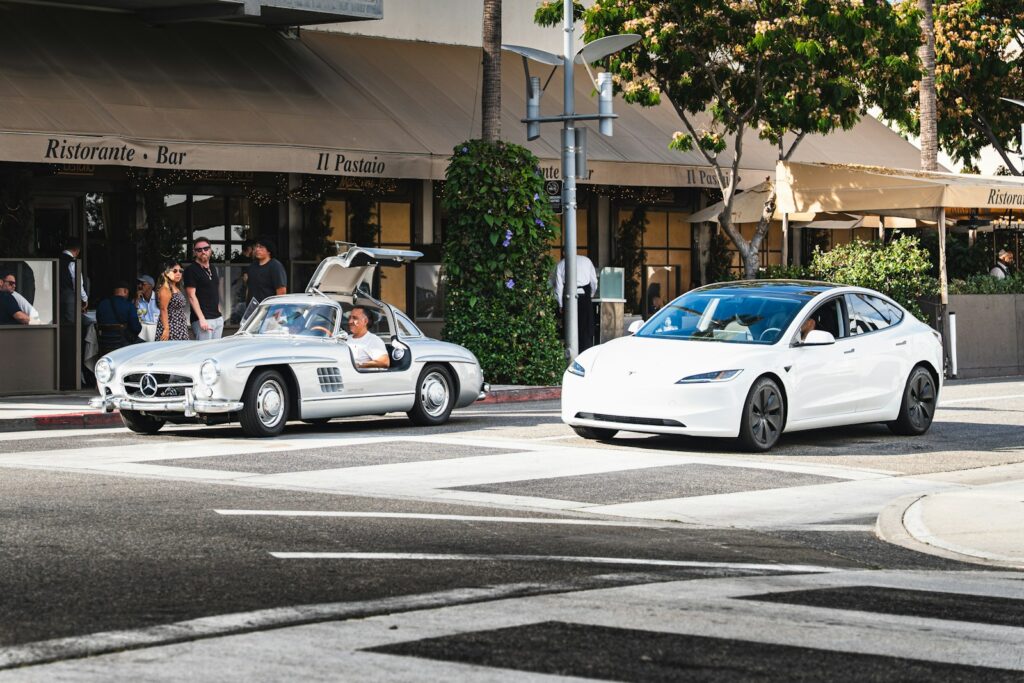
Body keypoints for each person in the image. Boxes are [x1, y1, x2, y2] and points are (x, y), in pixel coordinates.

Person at [552, 252, 599, 352]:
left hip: (568, 298)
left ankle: (570, 353)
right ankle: (586, 355)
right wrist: (590, 295)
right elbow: (594, 282)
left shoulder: (561, 264)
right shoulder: (587, 261)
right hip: (585, 297)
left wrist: (560, 304)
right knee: (586, 329)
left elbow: (558, 288)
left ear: (564, 253)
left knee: (570, 328)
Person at [184, 237, 224, 340]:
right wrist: (201, 319)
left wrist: (219, 312)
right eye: (199, 250)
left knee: (216, 352)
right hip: (203, 320)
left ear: (210, 250)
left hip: (217, 318)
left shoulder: (213, 268)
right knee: (204, 353)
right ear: (195, 252)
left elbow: (215, 290)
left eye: (206, 249)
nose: (203, 251)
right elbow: (191, 297)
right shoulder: (191, 270)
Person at [95, 282, 142, 354]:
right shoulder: (129, 305)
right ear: (126, 291)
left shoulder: (102, 304)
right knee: (146, 345)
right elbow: (136, 328)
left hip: (104, 345)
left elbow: (98, 321)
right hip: (123, 346)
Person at [156, 261, 190, 341]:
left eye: (180, 271)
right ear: (166, 272)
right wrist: (166, 329)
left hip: (179, 325)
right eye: (174, 271)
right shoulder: (165, 289)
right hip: (171, 326)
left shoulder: (176, 287)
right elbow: (163, 309)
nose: (178, 273)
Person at [246, 237, 287, 304]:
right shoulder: (252, 266)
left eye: (261, 247)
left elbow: (281, 291)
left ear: (269, 251)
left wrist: (277, 310)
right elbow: (249, 288)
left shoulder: (275, 266)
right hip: (253, 308)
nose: (257, 249)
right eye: (257, 247)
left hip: (269, 308)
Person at [59, 237, 87, 324]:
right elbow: (78, 284)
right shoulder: (73, 263)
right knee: (71, 325)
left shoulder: (54, 261)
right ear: (77, 250)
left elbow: (46, 283)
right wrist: (84, 299)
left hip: (54, 298)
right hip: (69, 299)